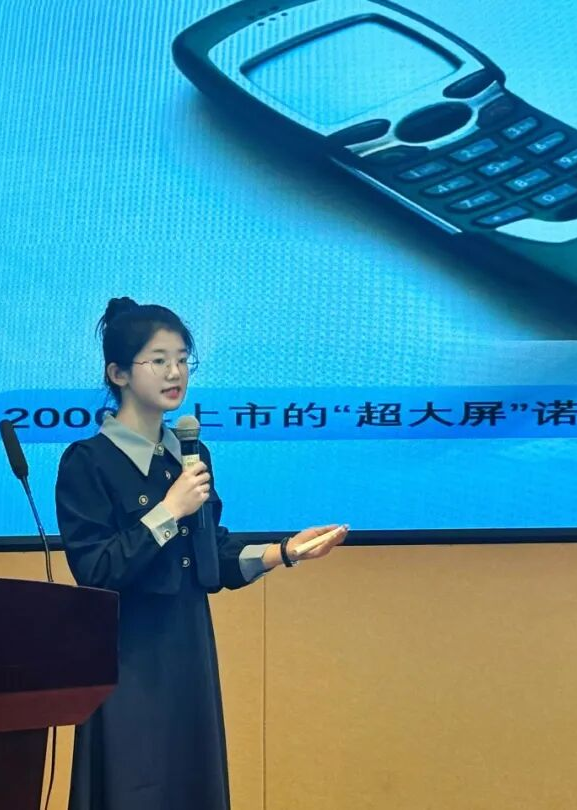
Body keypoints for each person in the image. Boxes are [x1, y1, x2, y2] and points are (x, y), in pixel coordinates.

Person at [55, 297, 348, 810]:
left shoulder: (190, 455)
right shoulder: (88, 461)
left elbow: (211, 554)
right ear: (118, 373)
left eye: (183, 359)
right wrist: (169, 511)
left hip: (188, 648)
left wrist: (285, 551)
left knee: (192, 785)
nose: (175, 373)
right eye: (159, 360)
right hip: (128, 660)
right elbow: (96, 569)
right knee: (134, 788)